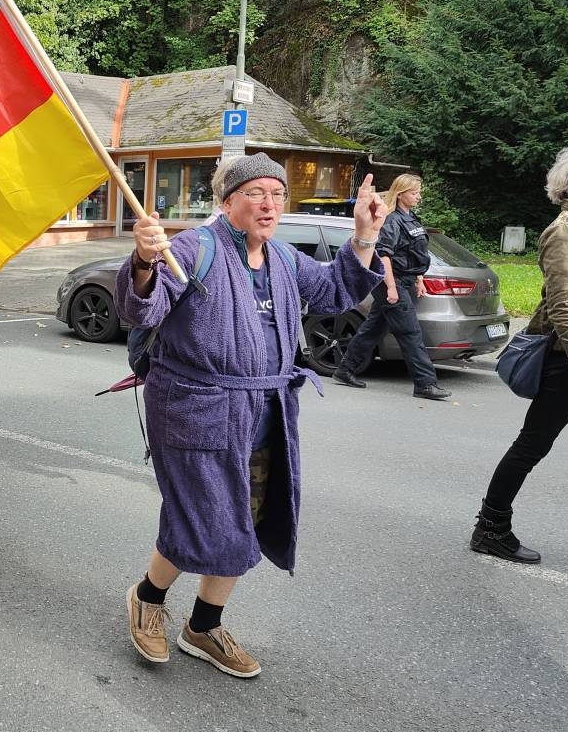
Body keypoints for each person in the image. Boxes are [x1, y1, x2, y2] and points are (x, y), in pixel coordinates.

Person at [116, 153, 387, 678]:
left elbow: (334, 290)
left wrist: (364, 237)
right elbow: (141, 309)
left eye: (278, 194)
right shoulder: (194, 249)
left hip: (265, 413)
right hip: (195, 411)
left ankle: (203, 625)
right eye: (256, 193)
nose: (270, 204)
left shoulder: (283, 259)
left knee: (245, 520)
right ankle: (148, 597)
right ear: (227, 201)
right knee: (203, 518)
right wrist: (145, 262)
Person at [475, 138, 568, 564]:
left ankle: (491, 527)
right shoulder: (566, 232)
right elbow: (564, 308)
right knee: (533, 445)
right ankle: (491, 528)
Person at [331, 174, 450, 400]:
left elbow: (415, 253)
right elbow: (383, 256)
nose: (418, 196)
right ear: (401, 193)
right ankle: (425, 384)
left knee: (374, 328)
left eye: (419, 192)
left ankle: (345, 370)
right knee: (410, 333)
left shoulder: (411, 218)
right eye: (414, 193)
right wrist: (391, 288)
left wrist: (419, 279)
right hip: (391, 282)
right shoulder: (392, 220)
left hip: (405, 280)